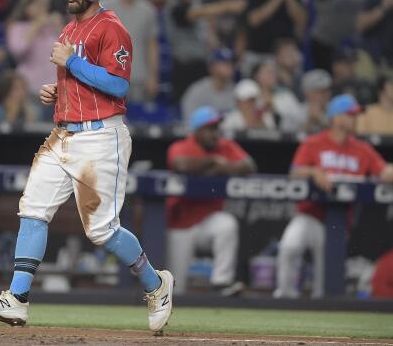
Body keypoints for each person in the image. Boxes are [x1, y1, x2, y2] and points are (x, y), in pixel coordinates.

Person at [0, 0, 174, 334]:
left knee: (101, 231)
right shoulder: (68, 30)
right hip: (63, 132)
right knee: (33, 209)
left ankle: (156, 283)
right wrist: (56, 90)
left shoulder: (111, 28)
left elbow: (118, 85)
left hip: (101, 136)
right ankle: (17, 299)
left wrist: (72, 67)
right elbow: (80, 83)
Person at [274, 94, 393, 299]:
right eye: (351, 115)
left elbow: (385, 173)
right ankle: (284, 296)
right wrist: (314, 172)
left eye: (356, 115)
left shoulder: (362, 149)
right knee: (290, 246)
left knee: (326, 278)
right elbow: (294, 172)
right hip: (309, 214)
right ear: (336, 118)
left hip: (338, 222)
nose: (355, 119)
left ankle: (321, 315)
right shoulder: (314, 143)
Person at [166, 106, 256, 295]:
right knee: (175, 287)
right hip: (180, 224)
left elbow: (249, 165)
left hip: (207, 220)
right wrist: (212, 161)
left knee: (227, 224)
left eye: (217, 128)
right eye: (210, 128)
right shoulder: (182, 146)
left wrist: (222, 169)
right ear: (197, 130)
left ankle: (222, 282)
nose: (215, 133)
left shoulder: (225, 146)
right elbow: (180, 164)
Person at [102, 0, 160, 103]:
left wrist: (153, 76)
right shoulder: (104, 7)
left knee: (137, 120)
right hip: (108, 76)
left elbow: (151, 45)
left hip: (138, 76)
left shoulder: (148, 10)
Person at [6, 0, 63, 102]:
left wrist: (60, 28)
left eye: (44, 5)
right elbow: (17, 51)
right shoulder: (17, 27)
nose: (42, 9)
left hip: (56, 90)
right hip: (29, 89)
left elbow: (71, 51)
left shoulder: (52, 27)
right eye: (37, 4)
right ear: (26, 7)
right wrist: (36, 26)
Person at [180, 46, 236, 121]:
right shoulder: (197, 91)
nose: (230, 66)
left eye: (231, 62)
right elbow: (190, 122)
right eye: (224, 63)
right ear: (211, 67)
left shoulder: (237, 91)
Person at [298, 69, 332, 134]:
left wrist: (320, 119)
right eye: (319, 91)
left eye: (326, 91)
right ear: (307, 92)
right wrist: (310, 121)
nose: (324, 95)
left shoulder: (335, 110)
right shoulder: (299, 110)